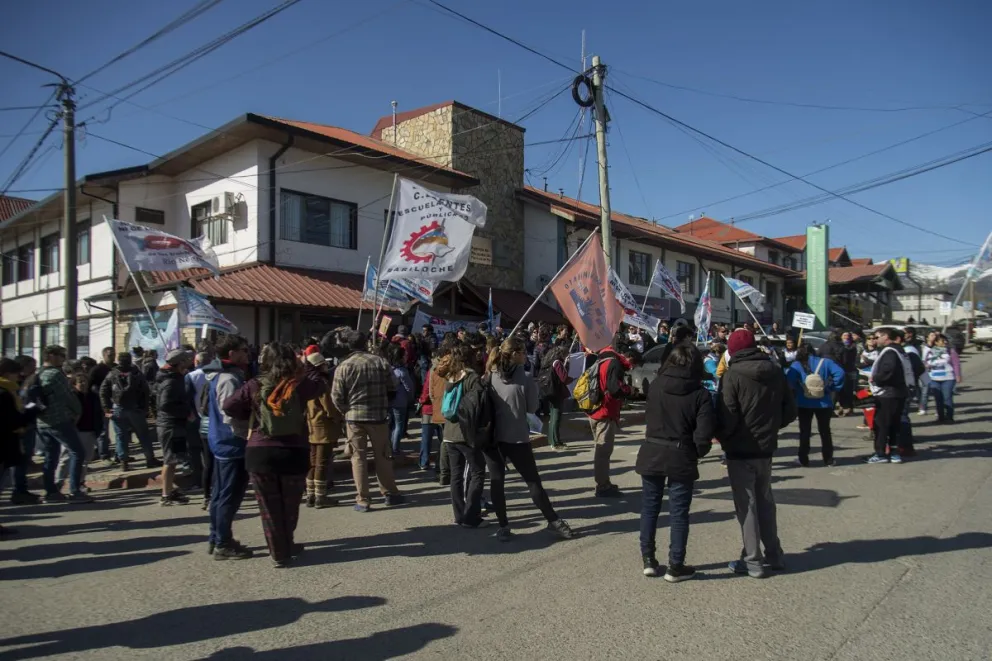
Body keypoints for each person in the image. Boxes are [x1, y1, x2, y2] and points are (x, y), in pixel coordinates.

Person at [224, 343, 325, 567]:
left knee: (269, 508)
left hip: (260, 451)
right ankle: (286, 542)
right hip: (294, 450)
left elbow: (229, 406)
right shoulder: (300, 385)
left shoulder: (254, 384)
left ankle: (279, 551)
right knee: (290, 505)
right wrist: (307, 365)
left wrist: (251, 413)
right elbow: (320, 385)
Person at [717, 329, 796, 578]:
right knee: (765, 501)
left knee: (746, 505)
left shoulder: (732, 376)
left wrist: (725, 437)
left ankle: (753, 560)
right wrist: (771, 428)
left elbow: (727, 415)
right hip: (766, 448)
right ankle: (773, 554)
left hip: (740, 449)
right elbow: (790, 409)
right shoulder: (775, 371)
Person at [637, 343, 714, 581]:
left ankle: (648, 559)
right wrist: (698, 451)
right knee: (679, 513)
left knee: (650, 507)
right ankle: (675, 565)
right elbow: (703, 435)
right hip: (681, 453)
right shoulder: (700, 393)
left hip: (652, 449)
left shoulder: (656, 385)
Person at [487, 337, 575, 541]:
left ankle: (503, 526)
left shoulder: (489, 376)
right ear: (515, 354)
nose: (525, 355)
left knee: (497, 481)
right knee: (533, 482)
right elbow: (532, 408)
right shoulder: (526, 378)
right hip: (518, 437)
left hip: (493, 438)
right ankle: (554, 521)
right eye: (522, 352)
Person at [330, 331, 404, 512]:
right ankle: (389, 493)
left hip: (354, 418)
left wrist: (346, 411)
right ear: (365, 344)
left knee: (358, 458)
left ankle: (363, 499)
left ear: (349, 346)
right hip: (378, 416)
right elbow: (394, 385)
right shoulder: (380, 362)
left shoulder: (344, 365)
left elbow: (336, 396)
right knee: (383, 455)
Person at [204, 335, 252, 560]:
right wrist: (248, 431)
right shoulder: (227, 379)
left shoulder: (222, 375)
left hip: (222, 441)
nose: (247, 353)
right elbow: (230, 414)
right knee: (228, 495)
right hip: (231, 442)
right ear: (231, 353)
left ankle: (217, 537)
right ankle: (222, 541)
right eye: (243, 350)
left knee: (220, 493)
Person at [32, 346, 94, 504]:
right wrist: (77, 411)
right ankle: (75, 491)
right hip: (58, 419)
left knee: (50, 457)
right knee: (77, 452)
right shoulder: (55, 374)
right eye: (60, 355)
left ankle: (51, 492)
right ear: (51, 356)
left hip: (41, 421)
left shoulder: (38, 373)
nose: (63, 358)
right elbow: (68, 396)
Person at [436, 344, 489, 528]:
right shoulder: (472, 378)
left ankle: (459, 515)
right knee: (478, 471)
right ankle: (472, 516)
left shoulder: (450, 376)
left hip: (449, 432)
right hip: (465, 432)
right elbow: (479, 404)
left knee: (456, 475)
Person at [586, 337, 633, 498]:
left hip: (595, 409)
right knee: (603, 451)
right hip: (605, 411)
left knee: (601, 450)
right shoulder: (613, 363)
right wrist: (628, 390)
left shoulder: (599, 360)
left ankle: (603, 481)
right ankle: (602, 486)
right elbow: (614, 388)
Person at [786, 343, 845, 467]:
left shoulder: (796, 365)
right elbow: (840, 373)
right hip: (824, 402)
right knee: (825, 431)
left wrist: (797, 390)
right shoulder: (826, 362)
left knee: (804, 431)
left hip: (803, 402)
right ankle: (828, 459)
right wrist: (831, 388)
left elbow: (789, 382)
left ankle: (803, 459)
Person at [100, 352, 159, 471]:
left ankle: (123, 462)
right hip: (135, 408)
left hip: (117, 408)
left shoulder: (112, 374)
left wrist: (106, 407)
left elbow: (103, 391)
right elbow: (145, 391)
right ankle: (150, 459)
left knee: (121, 436)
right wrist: (145, 407)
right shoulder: (136, 373)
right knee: (143, 435)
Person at [0, 358, 39, 534]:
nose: (19, 377)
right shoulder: (4, 393)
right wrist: (32, 411)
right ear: (7, 373)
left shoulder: (10, 391)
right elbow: (12, 421)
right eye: (17, 373)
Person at [866, 328, 911, 464]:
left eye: (877, 337)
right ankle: (894, 452)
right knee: (894, 424)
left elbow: (888, 369)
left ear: (886, 337)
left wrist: (876, 379)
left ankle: (880, 454)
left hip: (888, 394)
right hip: (899, 392)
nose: (875, 340)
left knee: (882, 424)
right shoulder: (900, 350)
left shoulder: (890, 351)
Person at [155, 349, 194, 506]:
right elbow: (165, 404)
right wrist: (186, 413)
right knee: (170, 459)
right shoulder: (170, 381)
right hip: (170, 425)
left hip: (174, 424)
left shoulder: (174, 377)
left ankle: (170, 489)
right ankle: (166, 494)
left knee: (174, 458)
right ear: (179, 363)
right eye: (185, 360)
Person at [303, 352, 341, 508]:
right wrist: (339, 418)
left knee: (312, 463)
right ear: (319, 366)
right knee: (322, 462)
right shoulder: (321, 383)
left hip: (310, 426)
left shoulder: (305, 382)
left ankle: (310, 495)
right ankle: (320, 497)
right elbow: (329, 407)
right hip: (323, 426)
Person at [56, 373, 101, 491]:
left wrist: (98, 429)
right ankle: (58, 482)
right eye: (80, 381)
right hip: (73, 430)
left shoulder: (93, 396)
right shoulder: (71, 396)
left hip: (88, 431)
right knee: (65, 458)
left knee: (85, 459)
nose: (83, 384)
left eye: (85, 381)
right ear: (74, 384)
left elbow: (98, 414)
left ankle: (80, 483)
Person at [187, 351, 219, 509]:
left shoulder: (192, 376)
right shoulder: (215, 382)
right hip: (215, 425)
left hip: (201, 422)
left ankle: (206, 495)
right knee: (217, 462)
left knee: (206, 461)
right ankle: (215, 493)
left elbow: (189, 398)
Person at [9, 356, 40, 504]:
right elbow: (23, 405)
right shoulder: (16, 385)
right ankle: (18, 490)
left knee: (24, 459)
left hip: (27, 424)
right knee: (20, 460)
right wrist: (33, 409)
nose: (35, 368)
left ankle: (21, 489)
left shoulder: (28, 382)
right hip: (20, 427)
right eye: (32, 366)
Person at [539, 339, 573, 451]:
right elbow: (564, 378)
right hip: (556, 392)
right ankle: (556, 442)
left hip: (550, 391)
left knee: (553, 416)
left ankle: (552, 440)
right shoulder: (557, 362)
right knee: (556, 417)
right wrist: (567, 366)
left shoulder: (548, 362)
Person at [428, 344, 453, 485]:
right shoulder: (447, 370)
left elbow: (431, 392)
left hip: (439, 409)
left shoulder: (433, 369)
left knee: (444, 441)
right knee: (446, 443)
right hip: (448, 410)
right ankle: (443, 471)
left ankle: (441, 470)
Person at [386, 343, 415, 456]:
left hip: (389, 401)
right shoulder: (402, 371)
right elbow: (409, 387)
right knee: (398, 425)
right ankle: (395, 448)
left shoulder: (388, 368)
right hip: (400, 401)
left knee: (390, 425)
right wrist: (410, 398)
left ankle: (389, 446)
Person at [88, 347, 116, 461]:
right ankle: (103, 454)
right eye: (110, 355)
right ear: (104, 355)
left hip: (116, 402)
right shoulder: (97, 370)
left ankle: (120, 455)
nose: (112, 357)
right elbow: (90, 386)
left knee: (119, 430)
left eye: (114, 354)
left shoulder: (115, 368)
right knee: (104, 430)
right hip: (102, 403)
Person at [926, 334, 960, 424]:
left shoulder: (950, 351)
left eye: (945, 340)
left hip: (948, 378)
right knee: (938, 399)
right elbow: (925, 362)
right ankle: (940, 417)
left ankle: (949, 417)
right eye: (942, 341)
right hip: (934, 378)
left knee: (947, 397)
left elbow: (956, 364)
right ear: (936, 342)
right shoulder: (930, 351)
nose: (945, 342)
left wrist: (957, 375)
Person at [417, 360, 443, 473]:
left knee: (426, 438)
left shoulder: (432, 371)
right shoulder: (448, 371)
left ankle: (424, 462)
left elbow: (426, 389)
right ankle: (441, 462)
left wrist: (421, 401)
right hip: (441, 409)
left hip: (428, 409)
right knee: (443, 439)